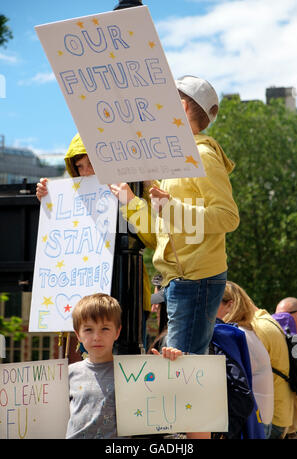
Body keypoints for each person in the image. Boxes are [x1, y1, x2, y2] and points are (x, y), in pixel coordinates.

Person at [109, 75, 239, 359]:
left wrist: (170, 208)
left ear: (180, 107)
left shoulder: (201, 156)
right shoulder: (174, 161)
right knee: (180, 372)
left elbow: (228, 217)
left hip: (194, 280)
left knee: (183, 376)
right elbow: (160, 236)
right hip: (182, 280)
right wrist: (131, 202)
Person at [36, 133, 152, 351]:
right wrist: (50, 200)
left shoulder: (132, 190)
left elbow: (154, 237)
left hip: (127, 299)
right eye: (79, 166)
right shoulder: (72, 200)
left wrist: (131, 202)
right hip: (86, 304)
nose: (86, 171)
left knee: (128, 374)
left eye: (92, 163)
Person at [66, 292, 182, 439]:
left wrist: (168, 368)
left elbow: (162, 399)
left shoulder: (133, 372)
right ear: (78, 335)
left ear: (117, 332)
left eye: (105, 329)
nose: (97, 337)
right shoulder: (69, 374)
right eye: (88, 329)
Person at [216, 281, 274, 432]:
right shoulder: (247, 331)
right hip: (260, 418)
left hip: (254, 422)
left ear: (230, 305)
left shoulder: (238, 335)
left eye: (213, 301)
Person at [251, 300, 294, 439]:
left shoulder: (259, 327)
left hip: (272, 418)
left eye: (286, 315)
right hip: (281, 415)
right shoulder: (268, 324)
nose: (282, 319)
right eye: (278, 315)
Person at [273, 297, 297, 440]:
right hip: (282, 427)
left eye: (284, 317)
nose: (278, 321)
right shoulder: (277, 341)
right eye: (276, 316)